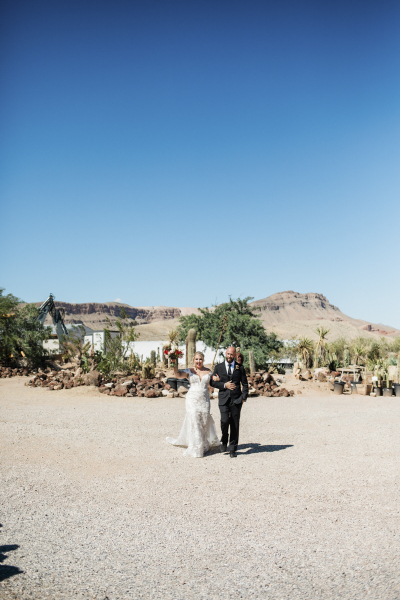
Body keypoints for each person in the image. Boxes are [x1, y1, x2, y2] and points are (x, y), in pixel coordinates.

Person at [166, 351, 220, 458]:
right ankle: (195, 447)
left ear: (203, 360)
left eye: (200, 359)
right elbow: (177, 375)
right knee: (194, 419)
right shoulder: (189, 371)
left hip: (204, 399)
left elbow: (214, 382)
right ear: (193, 360)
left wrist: (218, 380)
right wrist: (174, 363)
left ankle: (204, 445)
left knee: (204, 420)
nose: (198, 361)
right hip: (192, 399)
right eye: (196, 359)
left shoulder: (208, 371)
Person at [210, 346, 248, 458]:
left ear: (235, 355)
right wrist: (223, 385)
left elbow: (245, 384)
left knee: (235, 424)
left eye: (232, 354)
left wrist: (243, 398)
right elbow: (212, 383)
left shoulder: (240, 368)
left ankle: (232, 448)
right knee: (224, 421)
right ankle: (224, 439)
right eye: (228, 354)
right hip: (223, 399)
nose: (229, 356)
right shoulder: (219, 367)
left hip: (236, 399)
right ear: (225, 354)